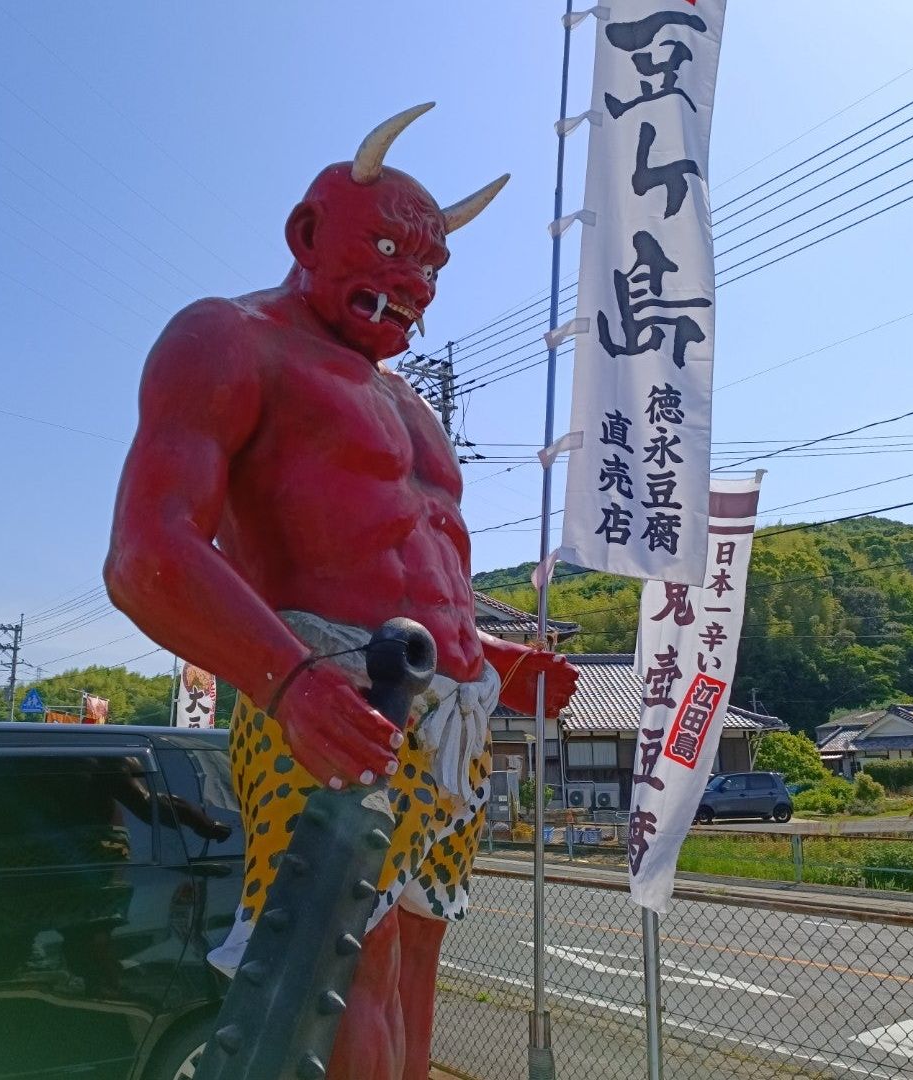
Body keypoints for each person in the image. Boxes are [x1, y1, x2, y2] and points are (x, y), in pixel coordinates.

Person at [105, 103, 578, 1080]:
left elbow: (407, 568)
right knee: (336, 962)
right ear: (307, 235)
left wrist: (491, 664)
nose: (413, 282)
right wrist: (289, 679)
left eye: (430, 268)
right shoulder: (229, 339)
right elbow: (147, 552)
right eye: (389, 249)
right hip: (324, 679)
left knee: (413, 961)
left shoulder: (409, 404)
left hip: (454, 716)